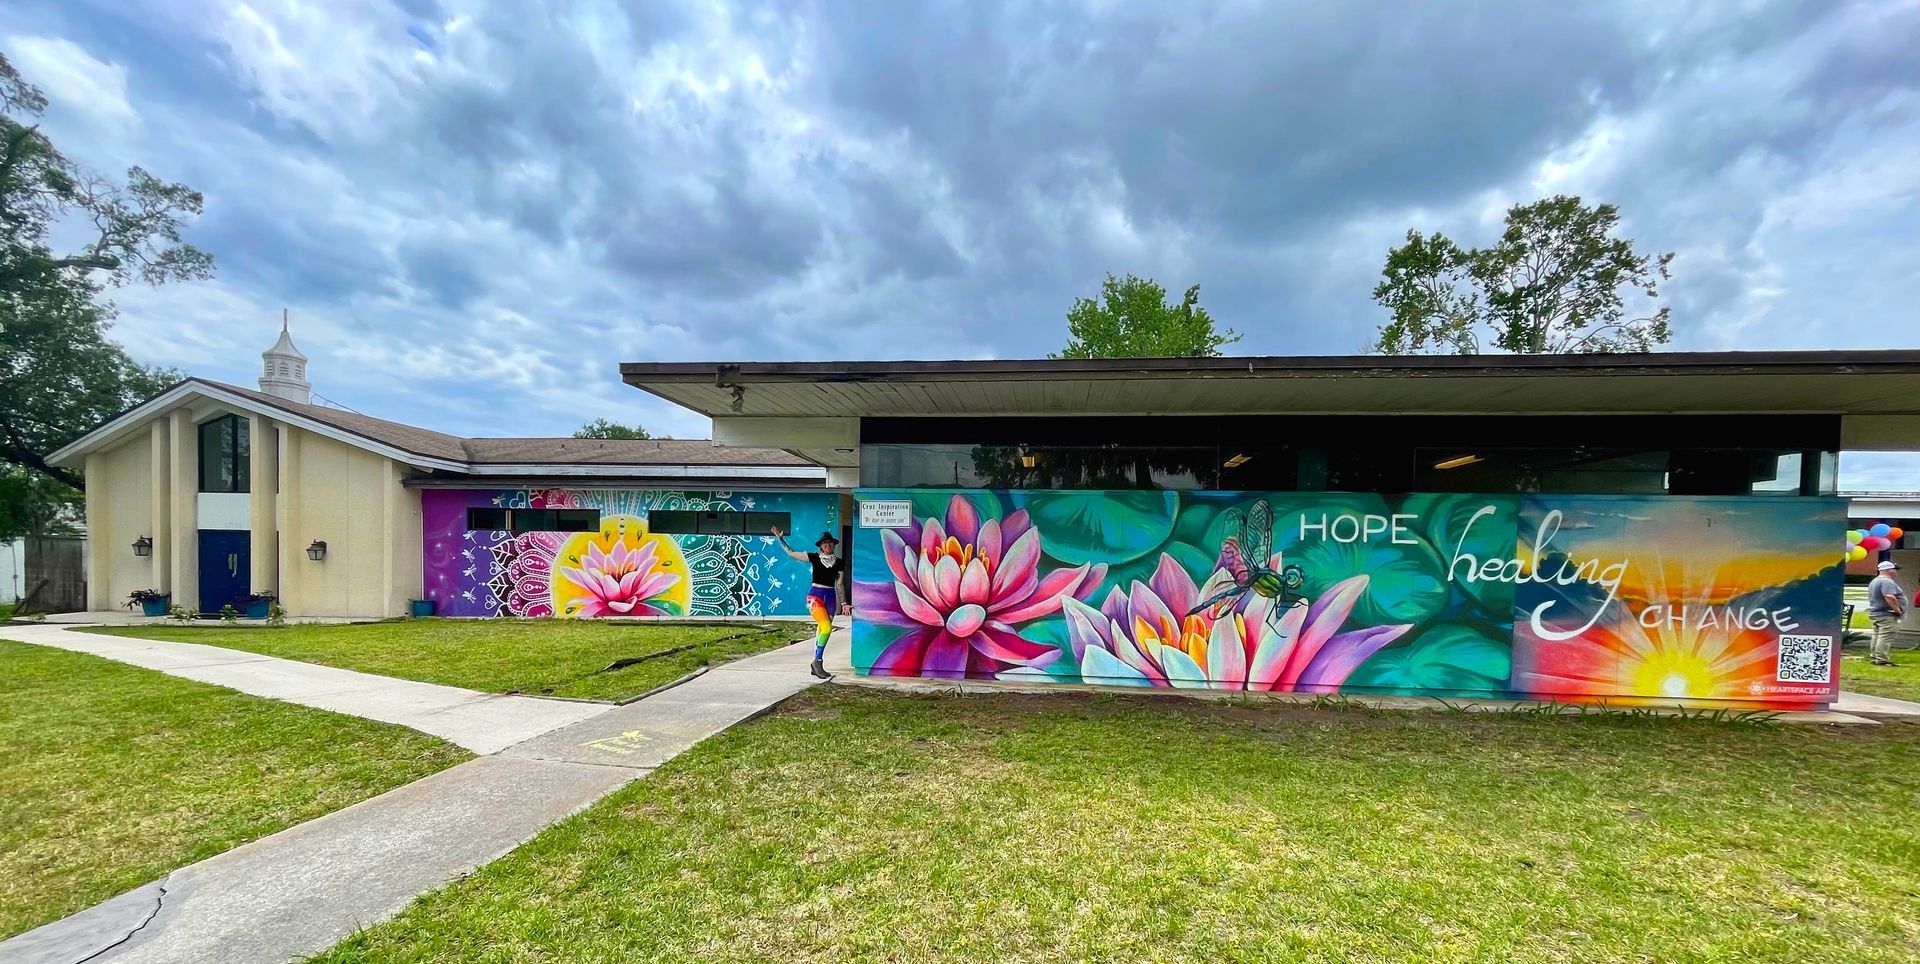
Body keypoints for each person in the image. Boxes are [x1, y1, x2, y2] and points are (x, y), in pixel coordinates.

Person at [773, 526, 846, 679]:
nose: (827, 545)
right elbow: (792, 553)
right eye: (824, 543)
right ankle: (817, 661)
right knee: (826, 627)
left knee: (823, 630)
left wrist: (844, 603)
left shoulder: (839, 562)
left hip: (831, 597)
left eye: (830, 542)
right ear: (820, 545)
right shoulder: (813, 557)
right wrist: (781, 539)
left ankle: (816, 664)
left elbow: (839, 584)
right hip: (815, 596)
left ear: (834, 544)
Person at [1867, 559, 1906, 668]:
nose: (1896, 571)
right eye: (1894, 569)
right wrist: (1897, 610)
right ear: (1888, 570)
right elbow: (1889, 596)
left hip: (1877, 613)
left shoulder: (1874, 581)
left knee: (1876, 635)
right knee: (1885, 636)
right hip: (1886, 614)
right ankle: (1882, 659)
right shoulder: (1887, 582)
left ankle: (1874, 656)